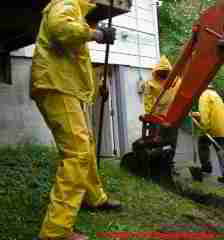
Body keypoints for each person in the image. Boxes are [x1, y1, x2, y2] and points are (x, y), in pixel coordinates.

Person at [31, 0, 121, 239]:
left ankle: (93, 197)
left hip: (64, 86)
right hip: (56, 85)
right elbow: (61, 30)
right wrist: (98, 34)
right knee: (78, 154)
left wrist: (98, 85)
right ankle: (56, 231)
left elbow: (74, 58)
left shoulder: (77, 11)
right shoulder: (67, 3)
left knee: (86, 145)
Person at [143, 56, 181, 175]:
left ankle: (168, 165)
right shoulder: (150, 83)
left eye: (165, 72)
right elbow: (148, 101)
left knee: (172, 142)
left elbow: (182, 96)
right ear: (157, 71)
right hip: (158, 117)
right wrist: (150, 115)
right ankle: (154, 164)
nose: (163, 74)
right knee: (157, 141)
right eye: (161, 72)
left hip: (173, 117)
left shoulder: (177, 82)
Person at [192, 86, 224, 185]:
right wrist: (195, 114)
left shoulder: (204, 96)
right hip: (223, 129)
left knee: (202, 144)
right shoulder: (217, 97)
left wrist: (204, 129)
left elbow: (205, 114)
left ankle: (206, 168)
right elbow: (213, 113)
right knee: (222, 153)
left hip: (212, 129)